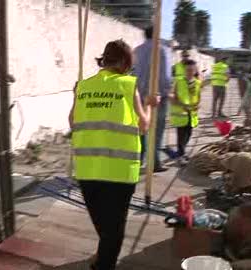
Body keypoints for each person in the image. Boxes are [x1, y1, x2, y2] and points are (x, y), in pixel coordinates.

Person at [69, 39, 159, 270]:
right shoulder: (128, 86)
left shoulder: (83, 86)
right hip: (120, 171)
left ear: (104, 59)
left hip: (88, 170)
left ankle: (101, 258)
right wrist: (150, 105)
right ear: (125, 62)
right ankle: (103, 265)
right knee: (114, 229)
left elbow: (72, 121)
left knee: (104, 227)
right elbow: (143, 126)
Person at [133, 25, 172, 172]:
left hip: (138, 94)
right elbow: (165, 76)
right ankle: (154, 162)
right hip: (156, 96)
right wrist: (165, 92)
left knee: (141, 128)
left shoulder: (137, 50)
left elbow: (132, 71)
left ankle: (138, 159)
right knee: (156, 130)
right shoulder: (163, 50)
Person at [169, 60, 202, 164]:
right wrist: (182, 105)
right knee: (181, 136)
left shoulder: (197, 83)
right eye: (188, 70)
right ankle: (181, 155)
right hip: (181, 114)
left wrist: (198, 105)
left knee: (188, 134)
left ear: (195, 70)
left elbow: (198, 96)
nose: (190, 72)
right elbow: (171, 96)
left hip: (192, 115)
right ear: (184, 70)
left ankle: (181, 153)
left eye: (192, 70)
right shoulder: (178, 82)